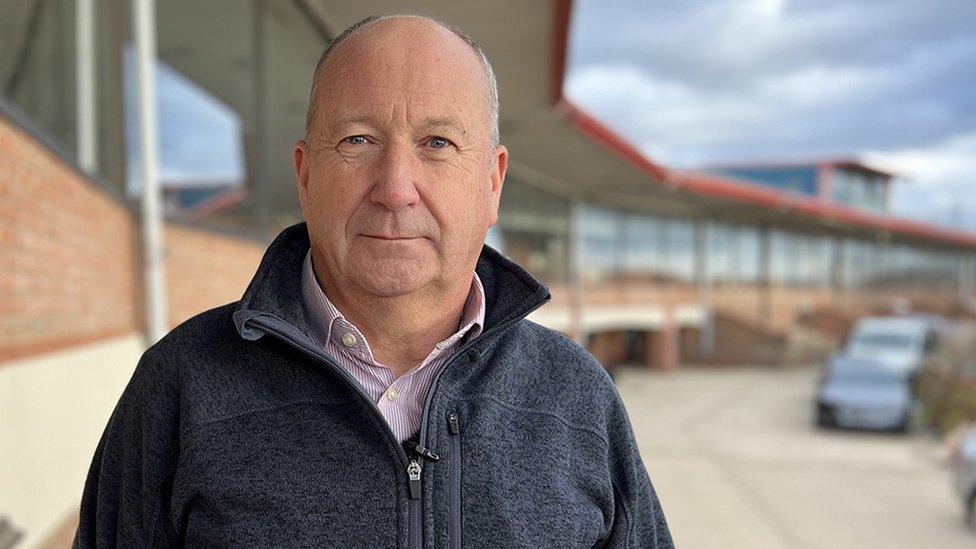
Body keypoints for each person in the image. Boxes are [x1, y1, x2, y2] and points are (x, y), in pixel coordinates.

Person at [74, 15, 673, 548]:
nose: (394, 187)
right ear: (306, 176)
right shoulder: (180, 387)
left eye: (437, 143)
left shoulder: (578, 400)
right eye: (358, 140)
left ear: (492, 183)